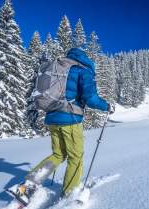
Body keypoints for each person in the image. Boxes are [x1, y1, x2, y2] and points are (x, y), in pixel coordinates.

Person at [16, 48, 115, 200]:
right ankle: (69, 193)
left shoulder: (60, 66)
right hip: (71, 119)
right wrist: (107, 106)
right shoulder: (83, 70)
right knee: (75, 156)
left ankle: (28, 185)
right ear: (84, 58)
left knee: (58, 154)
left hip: (52, 118)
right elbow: (91, 98)